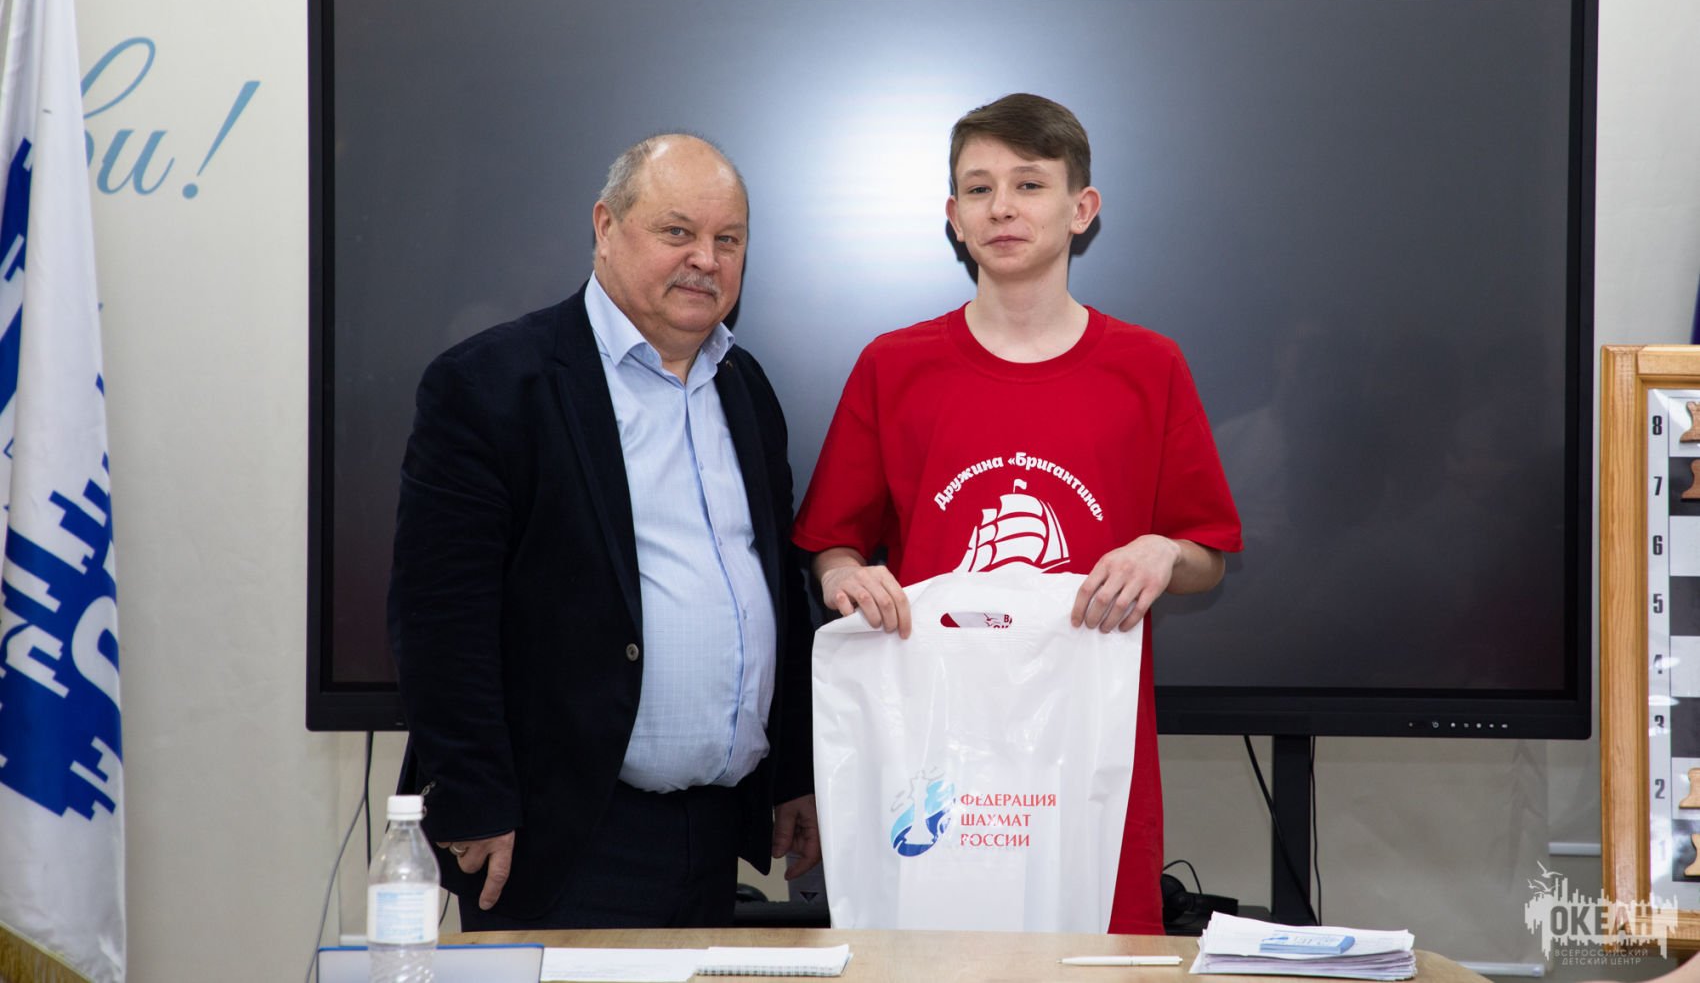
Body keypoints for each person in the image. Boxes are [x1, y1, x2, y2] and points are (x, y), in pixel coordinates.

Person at [792, 93, 1242, 935]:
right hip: (929, 758)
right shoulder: (894, 366)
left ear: (1081, 208)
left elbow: (1206, 553)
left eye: (1029, 184)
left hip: (1087, 755)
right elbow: (832, 543)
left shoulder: (1149, 367)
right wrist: (845, 576)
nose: (1002, 206)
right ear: (954, 218)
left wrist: (1161, 551)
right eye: (980, 188)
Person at [387, 133, 819, 931]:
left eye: (728, 239)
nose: (705, 259)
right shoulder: (491, 385)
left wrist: (792, 772)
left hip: (714, 831)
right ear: (606, 227)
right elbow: (439, 615)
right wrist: (475, 795)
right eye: (677, 231)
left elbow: (777, 595)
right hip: (556, 835)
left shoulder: (745, 386)